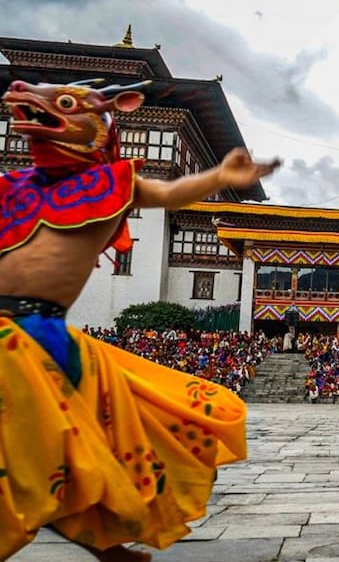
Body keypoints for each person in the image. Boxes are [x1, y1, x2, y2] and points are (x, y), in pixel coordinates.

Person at [0, 79, 280, 561]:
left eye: (64, 106)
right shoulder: (12, 189)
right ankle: (107, 548)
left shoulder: (115, 186)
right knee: (55, 453)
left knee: (57, 452)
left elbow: (171, 193)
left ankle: (105, 541)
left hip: (36, 333)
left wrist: (218, 178)